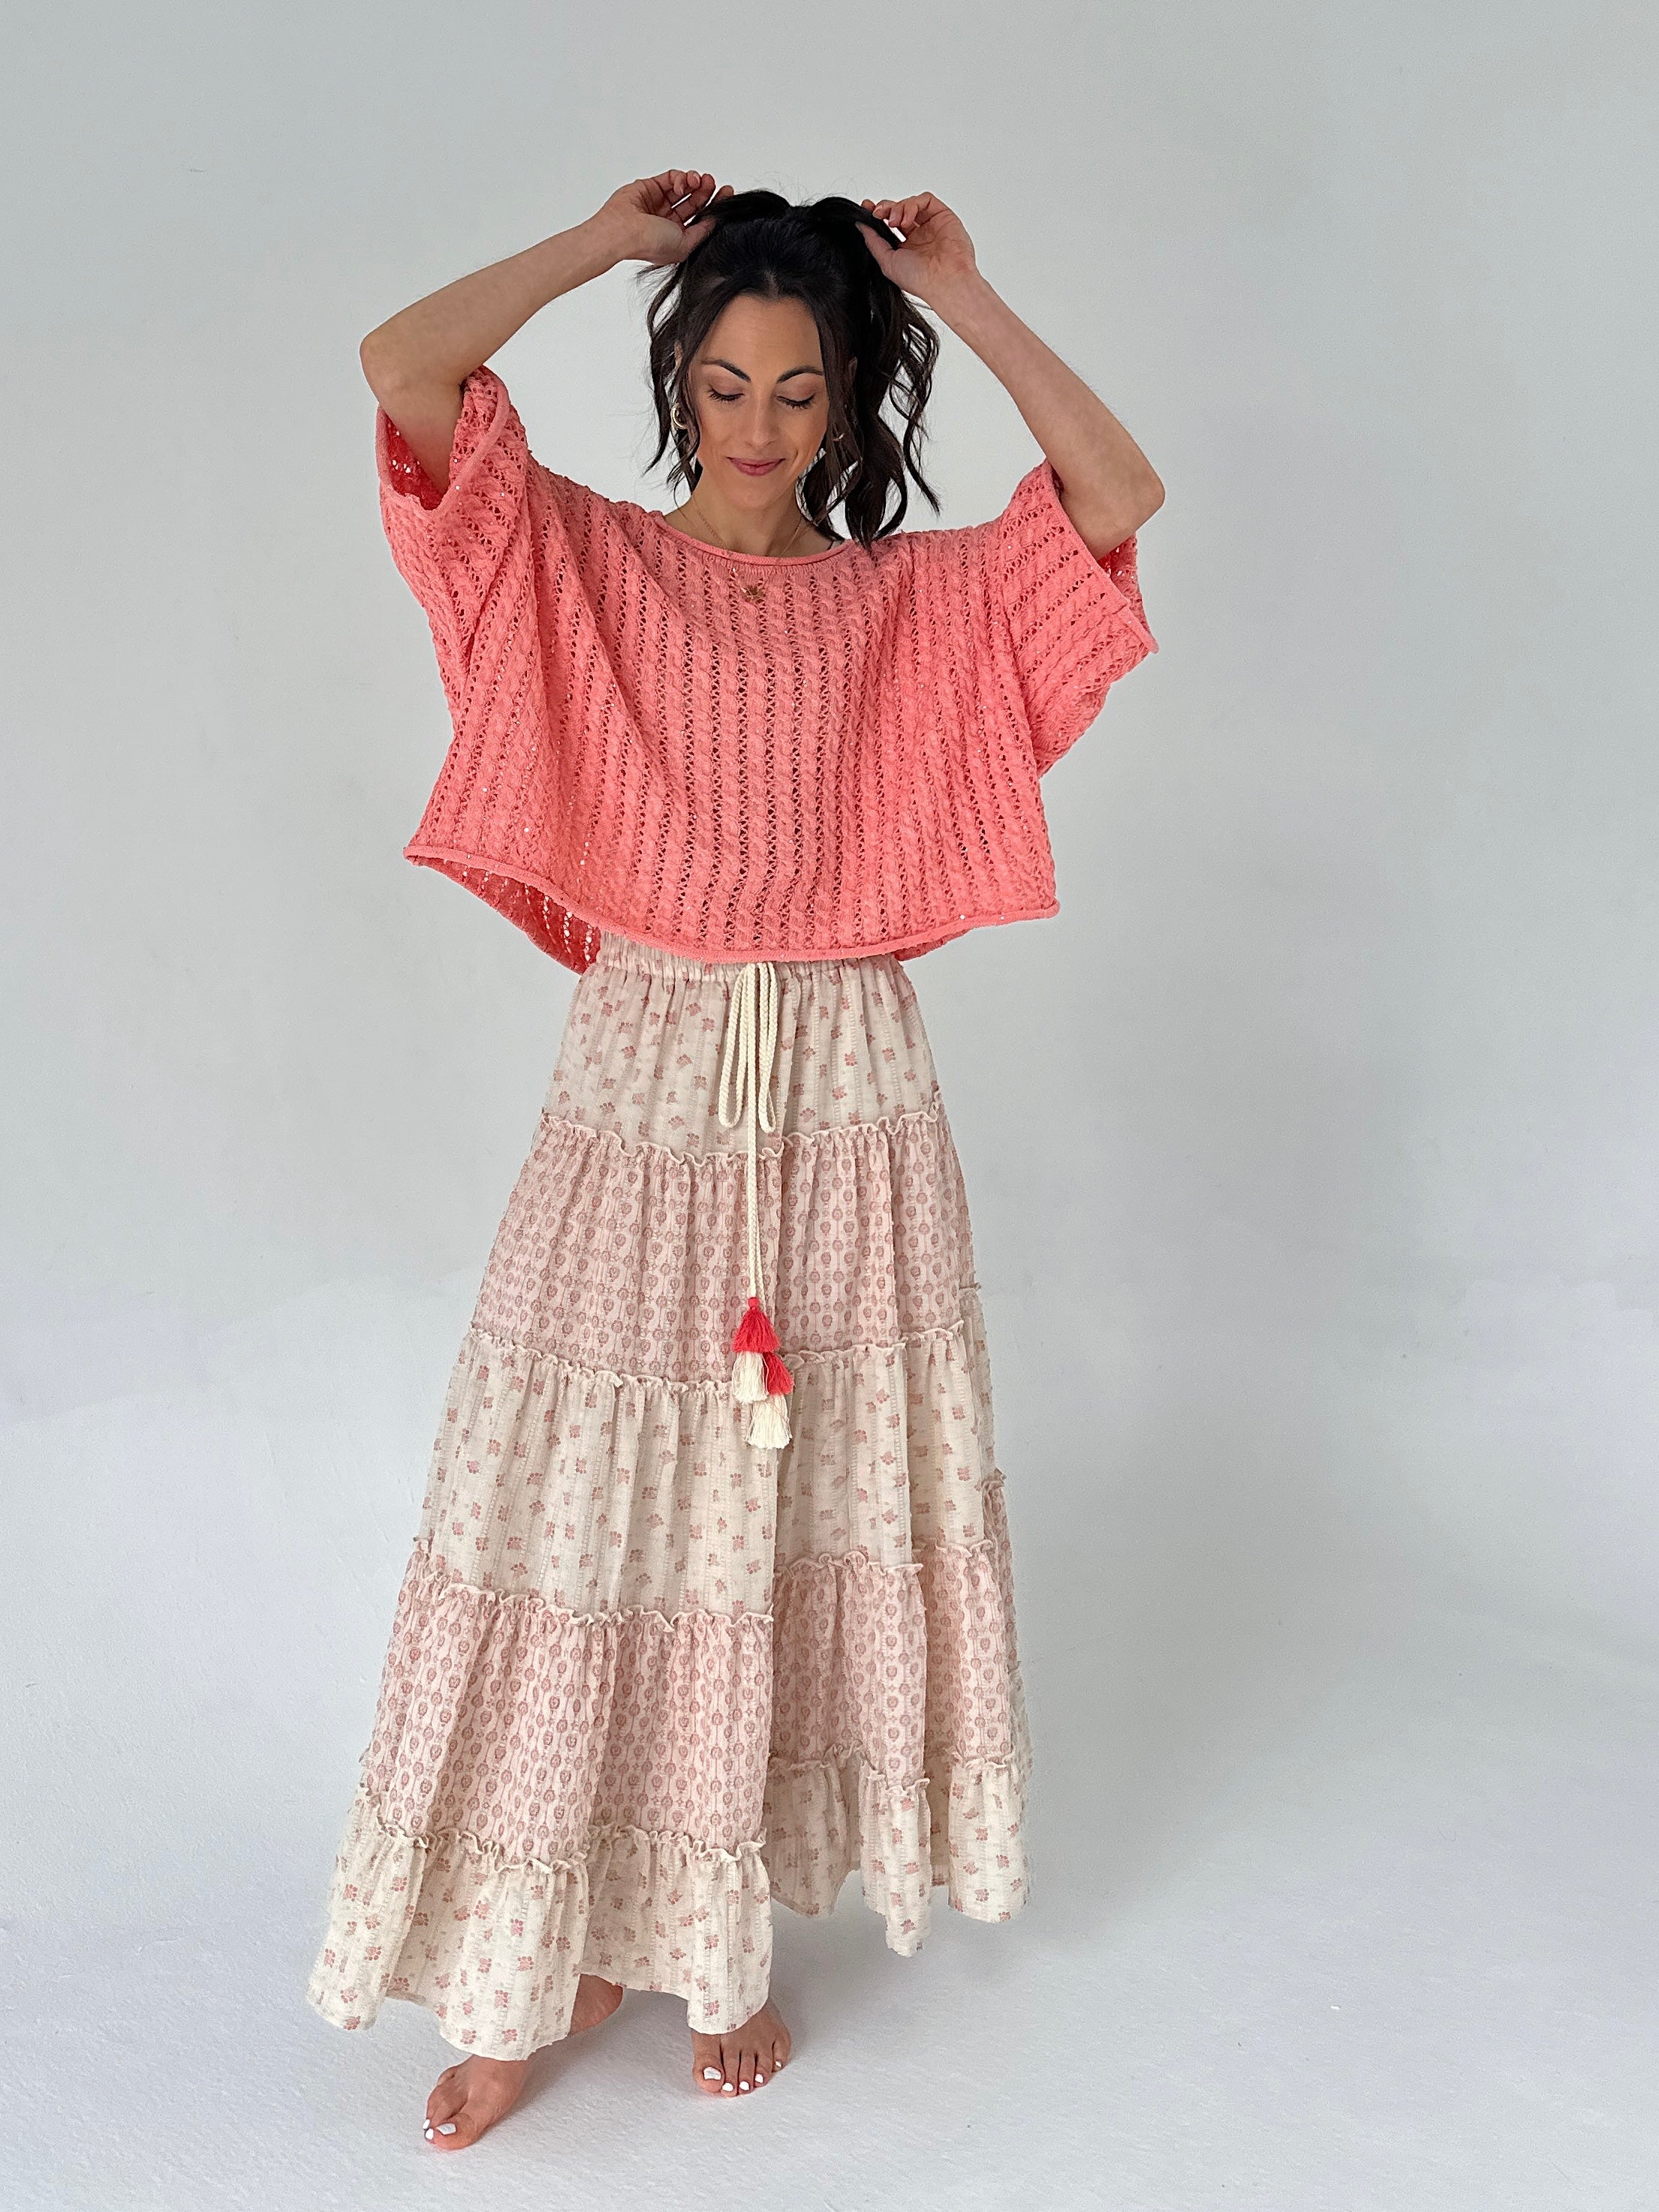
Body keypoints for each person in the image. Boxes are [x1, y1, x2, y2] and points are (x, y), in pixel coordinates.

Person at [306, 169, 1163, 2151]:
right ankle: (540, 1959)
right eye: (719, 379)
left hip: (850, 1085)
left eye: (796, 388)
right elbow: (401, 368)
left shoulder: (914, 601)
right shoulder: (579, 561)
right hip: (648, 1072)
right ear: (676, 379)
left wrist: (965, 288)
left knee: (797, 1502)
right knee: (584, 1503)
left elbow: (1110, 500)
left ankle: (711, 1941)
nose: (754, 421)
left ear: (853, 401)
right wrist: (603, 250)